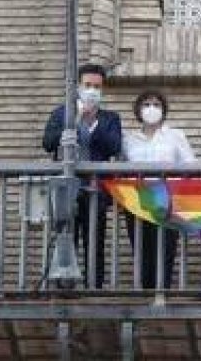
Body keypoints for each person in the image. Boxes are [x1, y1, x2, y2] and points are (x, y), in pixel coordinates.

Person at [42, 63, 124, 289]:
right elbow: (47, 143)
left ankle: (94, 288)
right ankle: (64, 288)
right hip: (66, 187)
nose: (92, 90)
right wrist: (77, 119)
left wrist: (93, 124)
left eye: (97, 87)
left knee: (95, 241)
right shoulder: (62, 113)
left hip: (96, 190)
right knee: (66, 239)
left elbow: (114, 146)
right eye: (88, 85)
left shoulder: (110, 118)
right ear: (78, 86)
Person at [121, 90, 195, 289]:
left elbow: (191, 166)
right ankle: (146, 298)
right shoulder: (128, 140)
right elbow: (120, 169)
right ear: (138, 110)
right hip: (138, 203)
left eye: (156, 104)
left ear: (163, 110)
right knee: (143, 251)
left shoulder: (175, 136)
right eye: (146, 104)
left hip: (167, 202)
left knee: (166, 251)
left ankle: (163, 296)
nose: (151, 108)